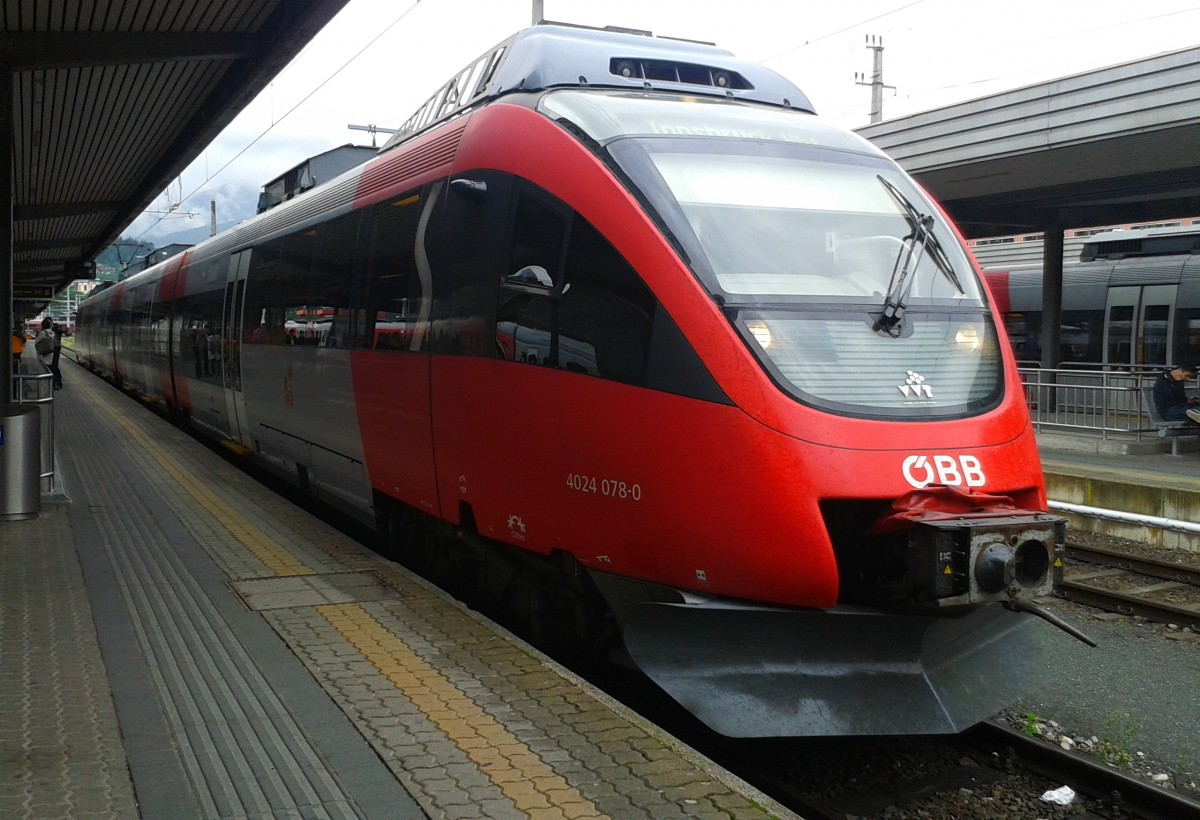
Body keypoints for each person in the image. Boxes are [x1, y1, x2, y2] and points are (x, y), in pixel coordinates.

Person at [34, 317, 59, 387]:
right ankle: (51, 382)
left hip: (42, 353)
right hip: (50, 352)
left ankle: (44, 382)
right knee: (49, 366)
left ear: (42, 325)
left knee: (42, 367)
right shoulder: (52, 333)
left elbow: (36, 342)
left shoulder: (42, 332)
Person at [50, 323, 64, 389]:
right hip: (51, 349)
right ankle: (55, 382)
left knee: (54, 366)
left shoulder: (56, 329)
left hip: (55, 348)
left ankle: (57, 383)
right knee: (52, 366)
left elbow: (65, 332)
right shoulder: (52, 330)